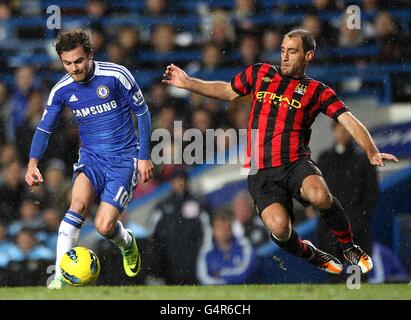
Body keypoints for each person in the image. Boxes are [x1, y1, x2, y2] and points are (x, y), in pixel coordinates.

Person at [163, 29, 399, 276]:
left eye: (292, 51)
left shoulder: (317, 91)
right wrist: (188, 83)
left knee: (319, 195)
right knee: (280, 229)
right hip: (262, 171)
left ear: (308, 56)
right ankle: (311, 254)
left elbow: (347, 119)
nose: (284, 57)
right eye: (283, 50)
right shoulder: (260, 73)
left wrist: (371, 150)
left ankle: (349, 247)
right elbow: (227, 91)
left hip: (295, 163)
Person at [25, 30, 154, 289]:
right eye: (68, 63)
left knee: (105, 227)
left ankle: (127, 244)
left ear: (90, 55)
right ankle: (60, 279)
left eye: (79, 61)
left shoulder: (116, 75)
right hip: (91, 159)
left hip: (123, 160)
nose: (74, 68)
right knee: (77, 206)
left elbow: (143, 113)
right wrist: (32, 162)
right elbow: (44, 128)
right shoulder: (62, 89)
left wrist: (144, 157)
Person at [315, 122, 379, 276]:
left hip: (356, 226)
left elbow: (372, 193)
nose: (343, 134)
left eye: (346, 131)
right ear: (333, 131)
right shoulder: (324, 159)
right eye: (339, 130)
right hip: (329, 225)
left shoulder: (363, 160)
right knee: (333, 273)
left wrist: (360, 216)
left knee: (356, 277)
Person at [146, 169, 210, 285]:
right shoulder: (163, 205)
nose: (180, 183)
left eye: (182, 180)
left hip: (192, 257)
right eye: (177, 180)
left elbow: (207, 229)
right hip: (168, 259)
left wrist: (202, 250)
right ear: (172, 183)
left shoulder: (198, 204)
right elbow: (151, 232)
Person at [196, 208, 258, 285]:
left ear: (232, 229)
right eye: (219, 227)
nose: (223, 231)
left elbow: (246, 273)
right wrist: (222, 282)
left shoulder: (244, 245)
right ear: (214, 230)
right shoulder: (207, 250)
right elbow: (203, 276)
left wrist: (220, 274)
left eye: (226, 228)